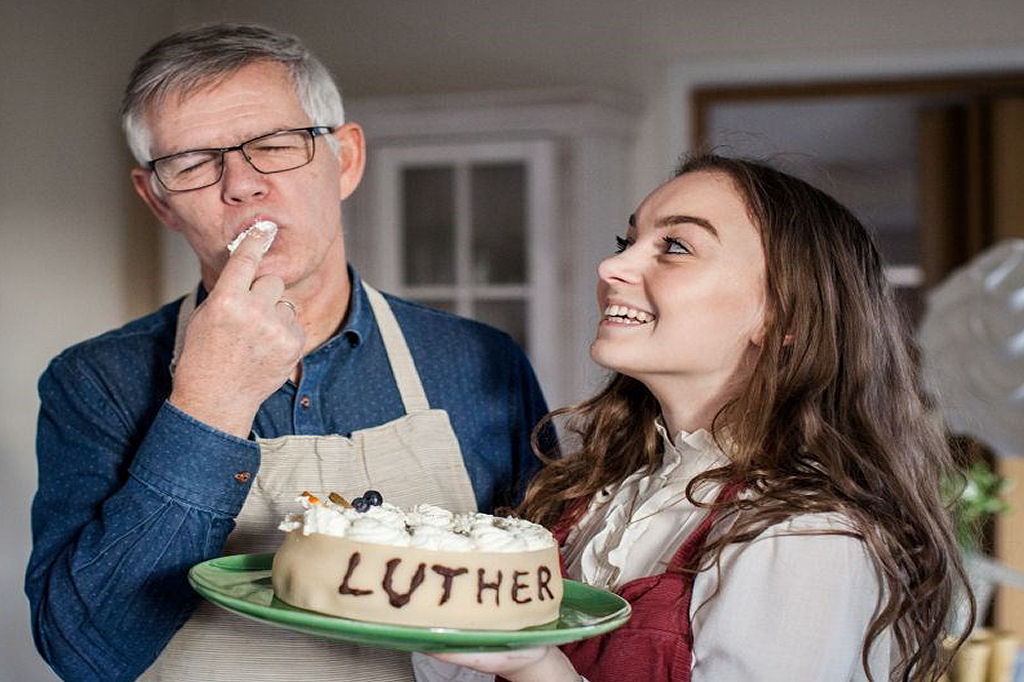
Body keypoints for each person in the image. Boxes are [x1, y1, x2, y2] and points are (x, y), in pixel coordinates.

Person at [25, 23, 549, 682]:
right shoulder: (95, 381)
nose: (240, 186)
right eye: (192, 163)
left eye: (274, 146)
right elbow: (88, 656)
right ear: (158, 199)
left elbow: (540, 609)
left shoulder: (480, 362)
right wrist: (210, 404)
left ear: (347, 160)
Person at [415, 154, 971, 682]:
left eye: (675, 246)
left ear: (783, 316)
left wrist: (535, 664)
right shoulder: (595, 497)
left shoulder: (810, 537)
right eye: (627, 241)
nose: (611, 266)